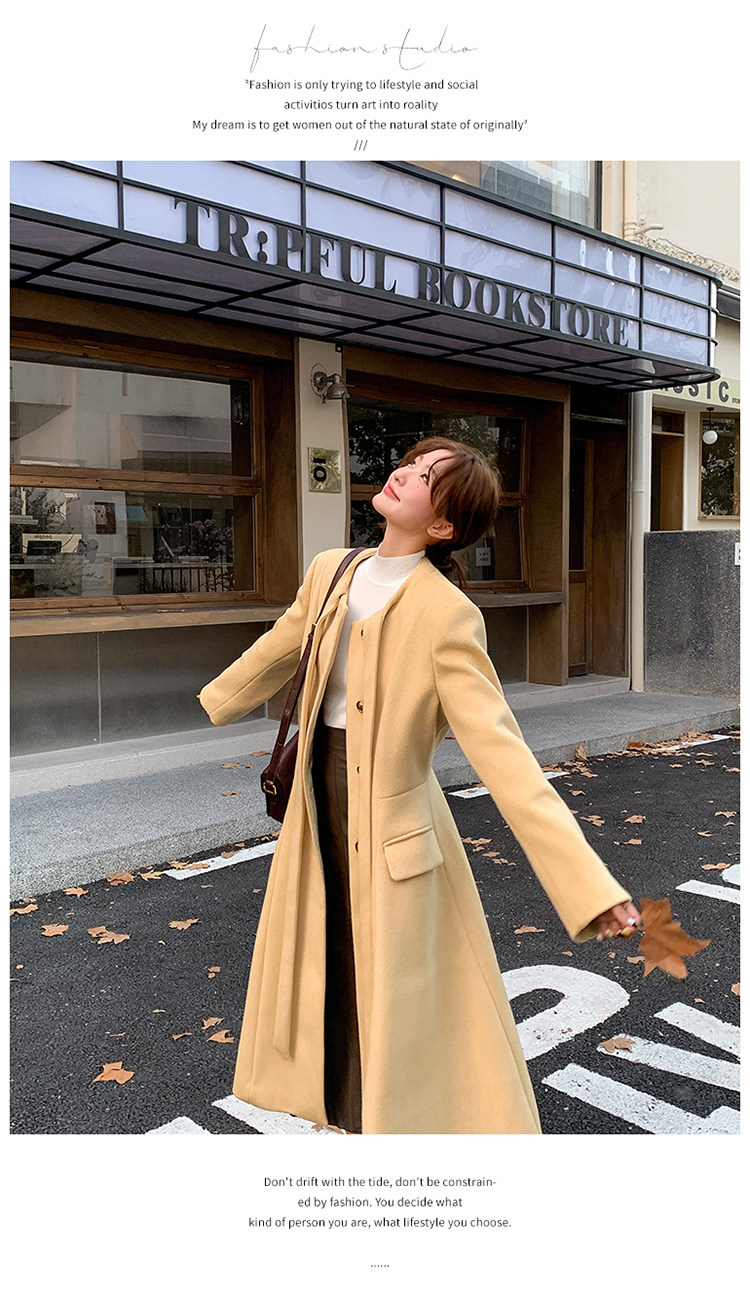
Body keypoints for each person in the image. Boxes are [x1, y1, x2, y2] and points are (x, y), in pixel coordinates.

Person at [198, 436, 641, 1135]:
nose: (405, 473)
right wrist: (216, 700)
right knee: (322, 960)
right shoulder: (332, 571)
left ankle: (401, 1128)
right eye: (410, 462)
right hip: (317, 800)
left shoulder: (446, 614)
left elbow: (504, 755)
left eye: (426, 476)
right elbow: (283, 644)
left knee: (388, 991)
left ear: (442, 524)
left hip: (394, 828)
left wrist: (589, 887)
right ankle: (338, 1113)